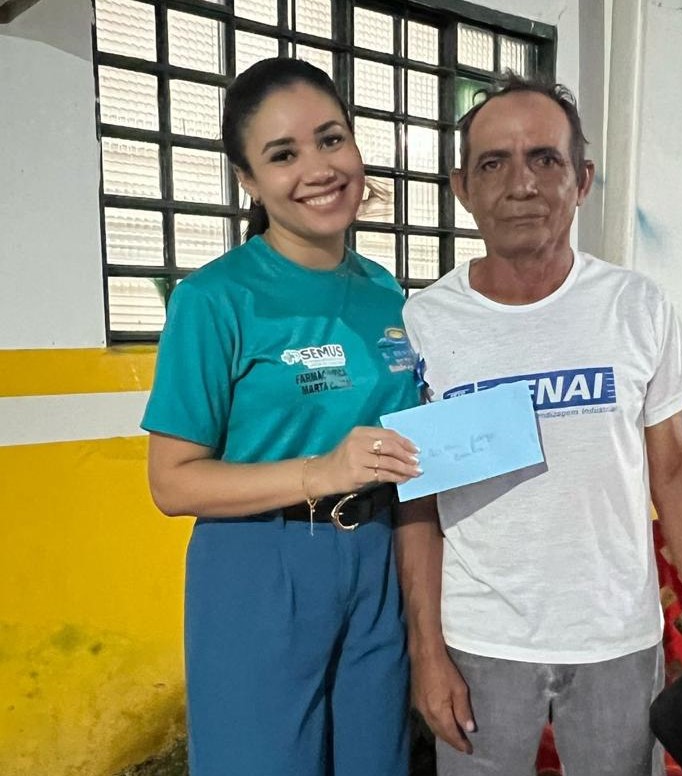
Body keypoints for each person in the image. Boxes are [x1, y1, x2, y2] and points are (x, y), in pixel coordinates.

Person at [394, 74, 682, 776]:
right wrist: (427, 651)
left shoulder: (636, 307)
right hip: (480, 641)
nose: (521, 184)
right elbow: (417, 498)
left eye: (545, 158)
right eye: (493, 163)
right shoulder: (424, 323)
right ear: (462, 188)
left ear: (582, 180)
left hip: (616, 639)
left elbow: (674, 474)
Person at [141, 57, 422, 776]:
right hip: (260, 565)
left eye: (331, 139)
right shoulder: (215, 300)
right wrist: (321, 471)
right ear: (248, 179)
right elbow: (172, 483)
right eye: (283, 154)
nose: (319, 169)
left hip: (379, 556)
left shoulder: (385, 293)